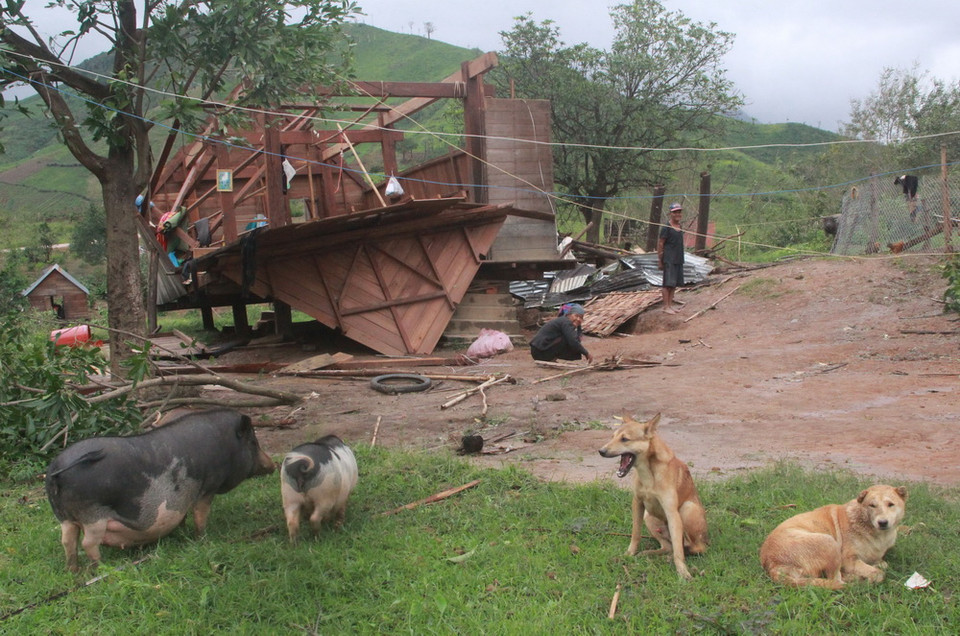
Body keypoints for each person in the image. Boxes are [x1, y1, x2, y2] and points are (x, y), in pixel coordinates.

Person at [658, 202, 685, 314]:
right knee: (667, 283)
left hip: (678, 258)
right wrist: (660, 260)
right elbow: (660, 244)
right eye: (675, 212)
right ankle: (665, 307)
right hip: (669, 259)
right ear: (670, 214)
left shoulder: (680, 227)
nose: (677, 214)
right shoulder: (666, 228)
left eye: (679, 212)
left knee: (674, 284)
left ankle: (670, 305)